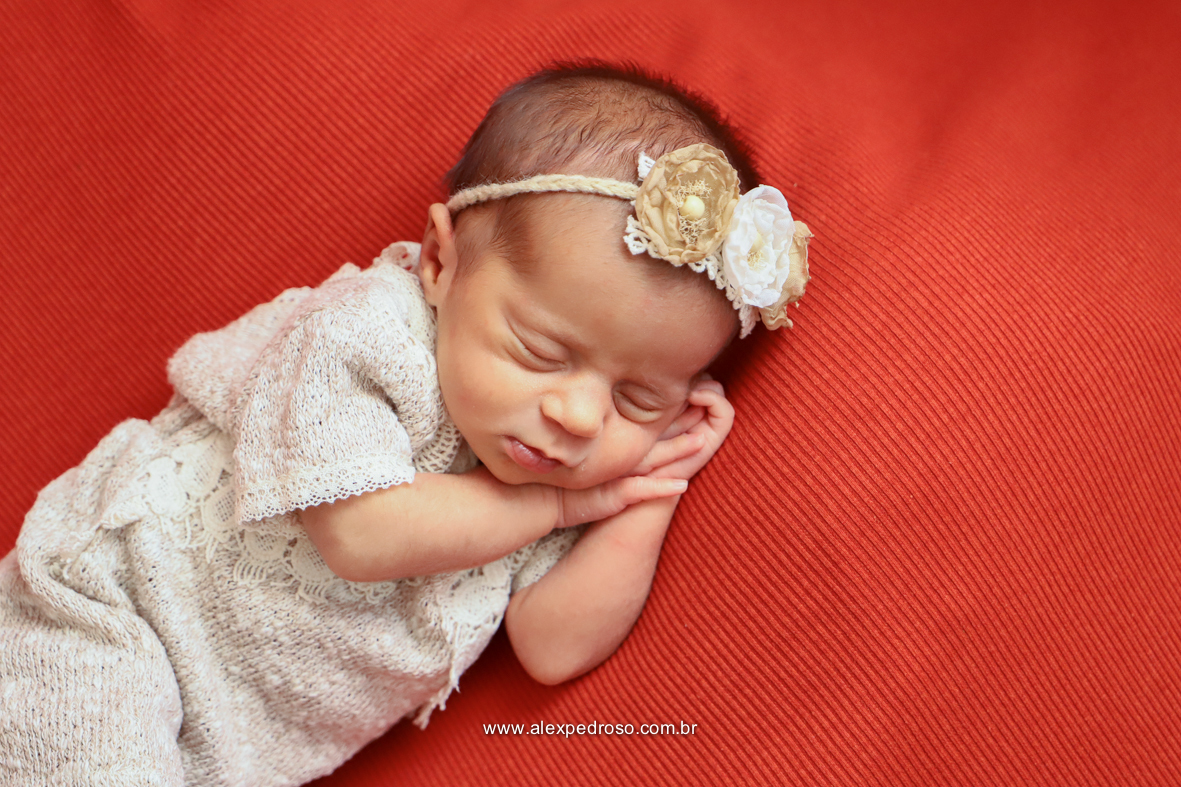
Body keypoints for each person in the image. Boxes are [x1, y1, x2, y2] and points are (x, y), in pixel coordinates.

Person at [0, 63, 811, 786]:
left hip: (216, 745)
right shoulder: (367, 335)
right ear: (438, 262)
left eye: (637, 397)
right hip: (103, 615)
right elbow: (358, 531)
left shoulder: (561, 464)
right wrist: (559, 508)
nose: (577, 414)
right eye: (539, 349)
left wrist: (647, 487)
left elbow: (551, 645)